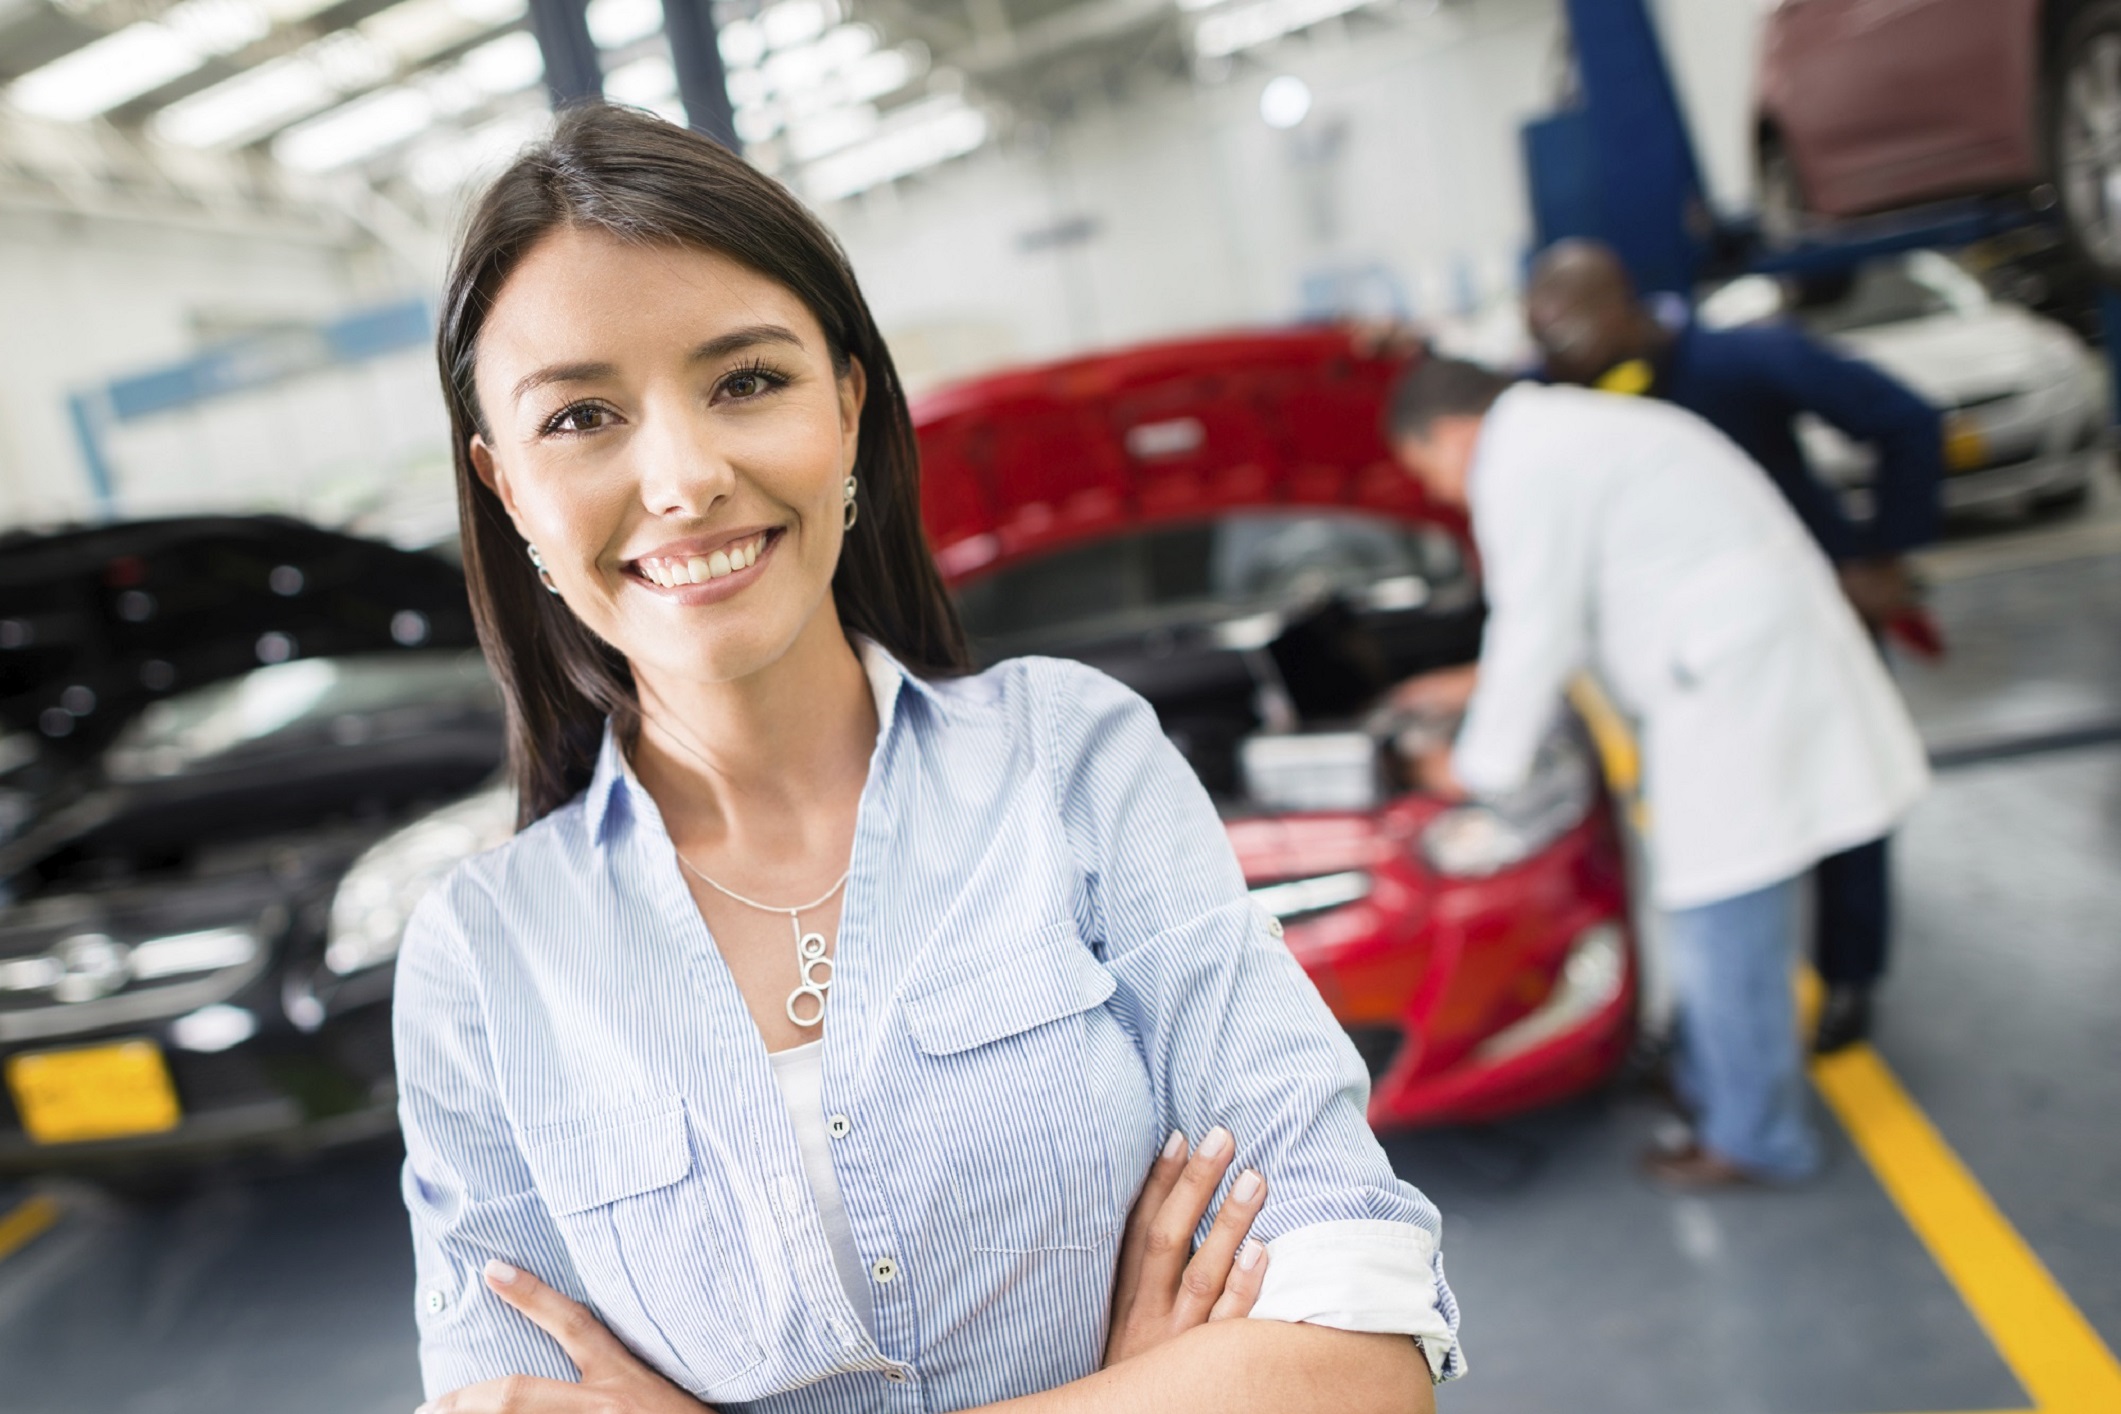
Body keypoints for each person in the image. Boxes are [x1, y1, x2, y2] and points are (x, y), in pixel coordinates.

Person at [395, 104, 1459, 1414]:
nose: (682, 475)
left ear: (846, 405)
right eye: (583, 416)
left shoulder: (1071, 759)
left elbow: (1360, 1353)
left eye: (745, 380)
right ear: (506, 491)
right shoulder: (481, 955)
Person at [1385, 358, 1928, 1191]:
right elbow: (1573, 609)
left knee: (1722, 914)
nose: (1443, 494)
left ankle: (1755, 1138)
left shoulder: (1520, 460)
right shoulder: (1571, 430)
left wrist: (1474, 768)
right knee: (1729, 909)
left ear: (1449, 434)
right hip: (1740, 667)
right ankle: (1724, 1090)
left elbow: (1537, 624)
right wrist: (1470, 687)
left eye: (1426, 473)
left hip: (1727, 688)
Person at [1525, 238, 1945, 1053]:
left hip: (1811, 631)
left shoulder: (1743, 363)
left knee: (1842, 809)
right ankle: (1706, 1007)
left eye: (1565, 334)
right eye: (1539, 338)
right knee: (1708, 837)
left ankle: (1848, 979)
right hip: (1688, 670)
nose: (1550, 358)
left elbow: (1904, 418)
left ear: (1623, 306)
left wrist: (1880, 558)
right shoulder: (1561, 391)